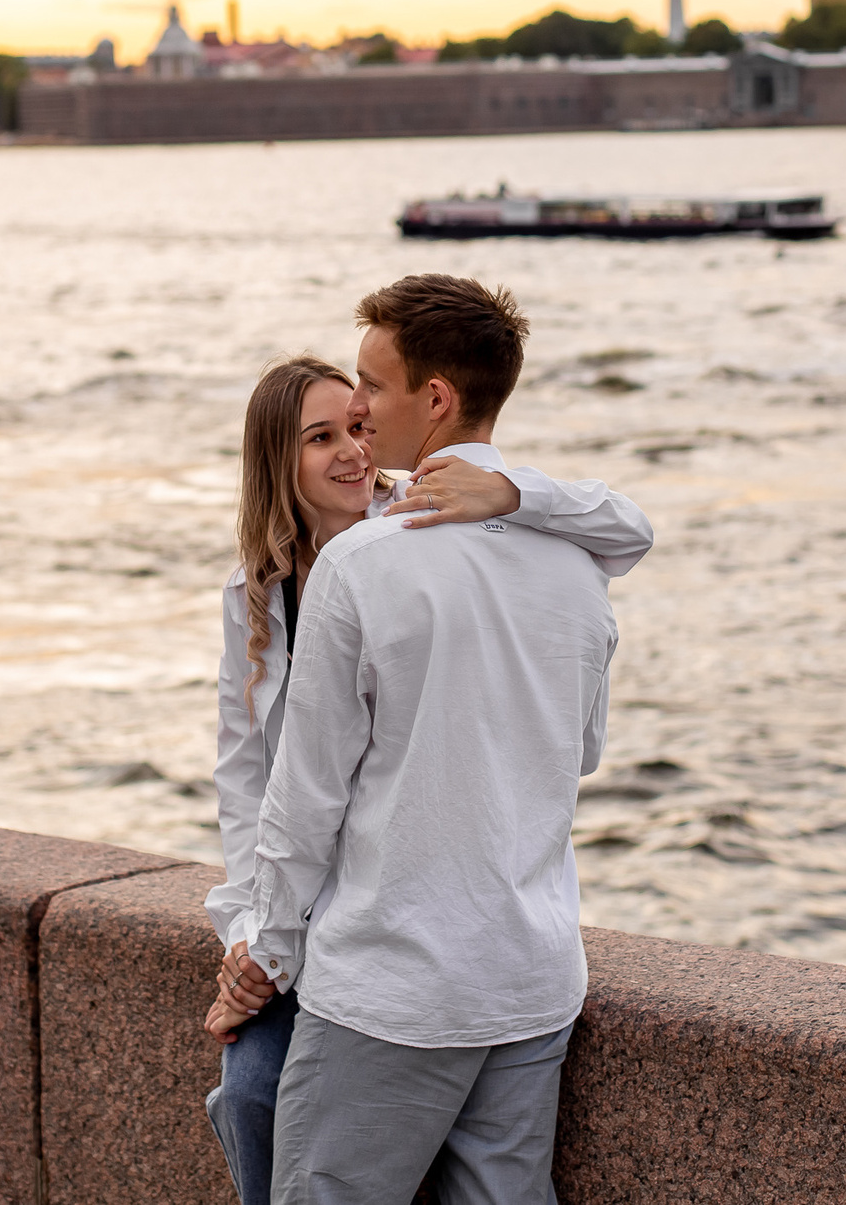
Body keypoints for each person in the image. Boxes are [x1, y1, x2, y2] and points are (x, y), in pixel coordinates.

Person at [221, 276, 639, 1204]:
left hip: (394, 985)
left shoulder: (360, 565)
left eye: (371, 383)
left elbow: (306, 799)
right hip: (531, 983)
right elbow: (582, 751)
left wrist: (268, 955)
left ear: (437, 397)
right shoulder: (577, 569)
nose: (359, 408)